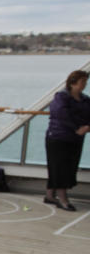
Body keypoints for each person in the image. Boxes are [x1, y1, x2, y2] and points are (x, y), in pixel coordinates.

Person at [44, 70, 90, 211]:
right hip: (58, 137)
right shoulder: (61, 97)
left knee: (68, 167)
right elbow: (61, 114)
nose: (85, 84)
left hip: (75, 139)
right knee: (59, 167)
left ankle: (50, 195)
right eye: (82, 81)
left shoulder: (85, 99)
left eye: (85, 81)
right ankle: (63, 199)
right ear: (73, 82)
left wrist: (87, 126)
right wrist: (77, 128)